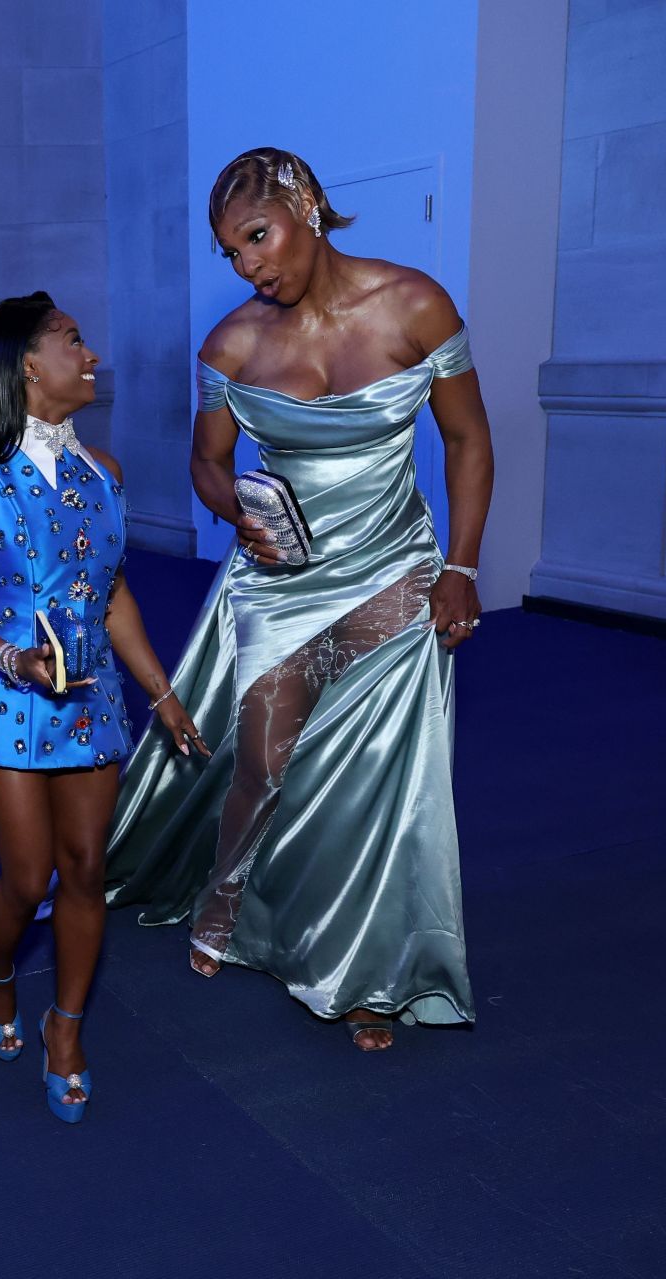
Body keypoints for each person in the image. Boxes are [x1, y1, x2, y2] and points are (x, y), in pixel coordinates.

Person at [104, 147, 494, 1052]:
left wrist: (464, 567)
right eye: (232, 254)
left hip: (396, 564)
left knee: (378, 777)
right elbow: (206, 461)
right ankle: (224, 890)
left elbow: (470, 440)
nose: (251, 266)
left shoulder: (418, 305)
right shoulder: (231, 345)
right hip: (281, 578)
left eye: (258, 237)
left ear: (308, 203)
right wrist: (235, 510)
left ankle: (366, 974)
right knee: (264, 760)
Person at [0, 292, 204, 1123]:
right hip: (4, 695)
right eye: (74, 341)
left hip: (90, 698)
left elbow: (113, 599)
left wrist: (164, 693)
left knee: (84, 870)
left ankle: (66, 1029)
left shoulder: (104, 472)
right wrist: (8, 655)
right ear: (26, 365)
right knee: (27, 875)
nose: (93, 355)